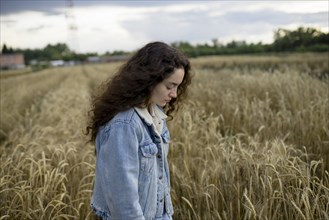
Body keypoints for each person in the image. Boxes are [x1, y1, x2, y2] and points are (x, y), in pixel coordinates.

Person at [86, 41, 191, 220]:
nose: (174, 94)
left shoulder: (155, 113)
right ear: (149, 80)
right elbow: (123, 201)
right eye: (169, 86)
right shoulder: (124, 125)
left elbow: (158, 180)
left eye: (177, 87)